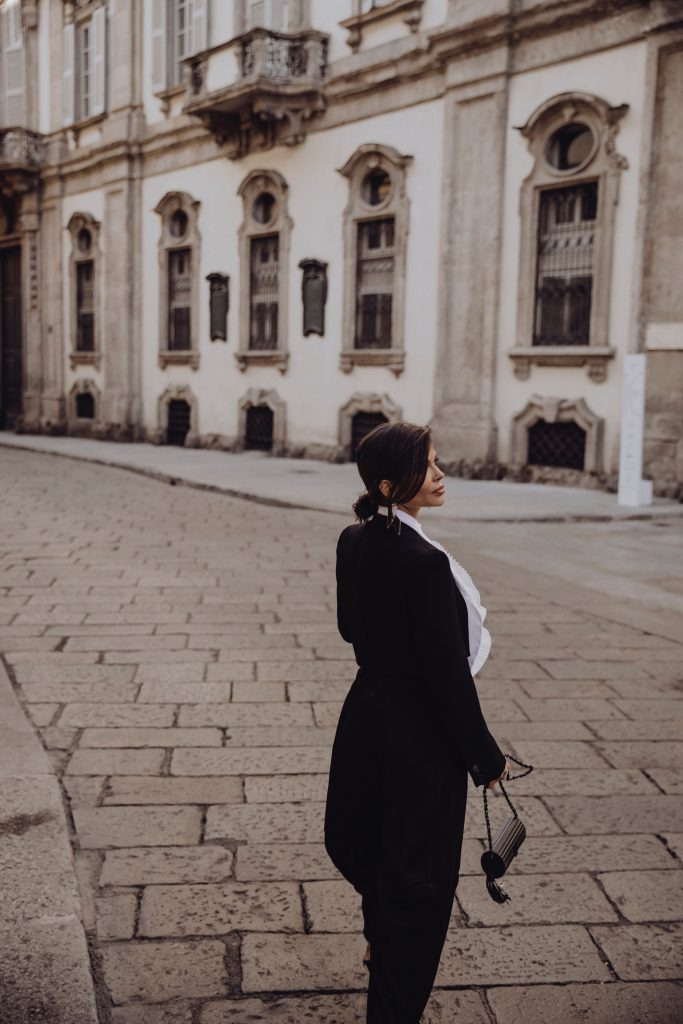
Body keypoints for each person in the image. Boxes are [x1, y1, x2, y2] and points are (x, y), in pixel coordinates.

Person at [324, 421, 509, 1024]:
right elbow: (447, 675)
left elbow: (351, 628)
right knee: (421, 879)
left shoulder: (352, 540)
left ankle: (379, 937)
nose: (439, 474)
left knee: (371, 842)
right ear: (388, 483)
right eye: (426, 466)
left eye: (436, 461)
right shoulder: (426, 563)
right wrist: (483, 755)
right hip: (418, 734)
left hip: (365, 714)